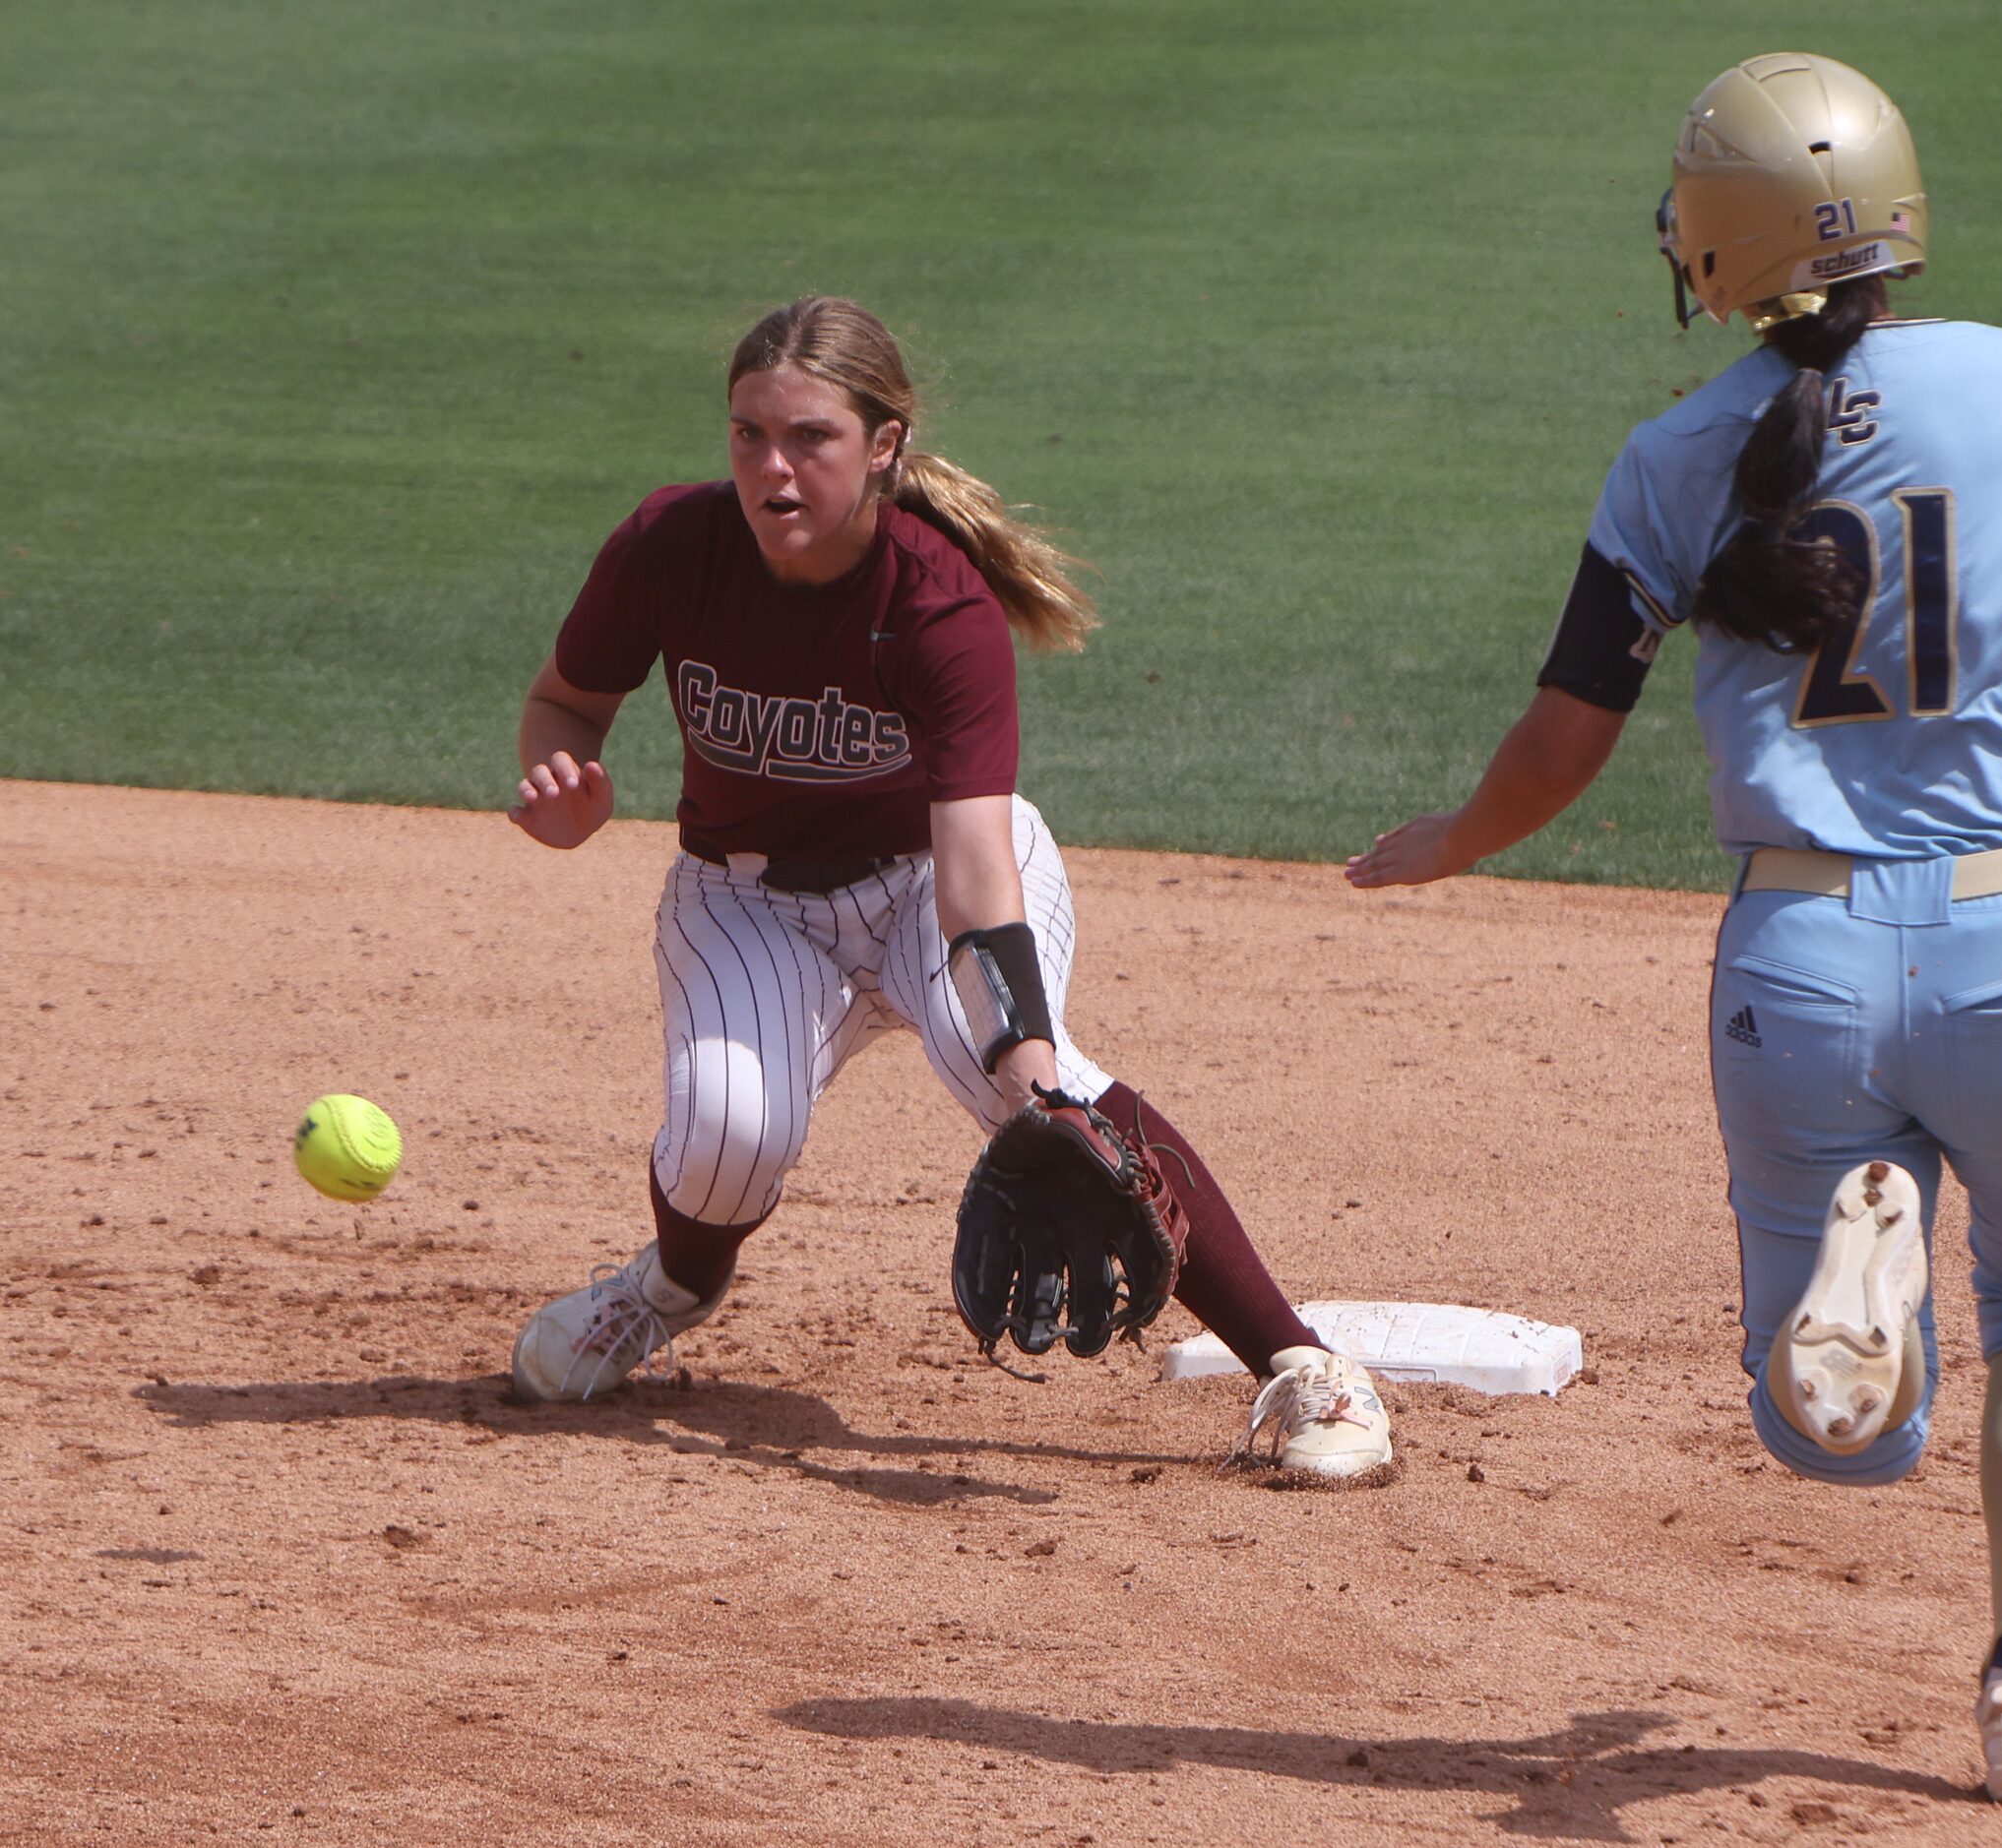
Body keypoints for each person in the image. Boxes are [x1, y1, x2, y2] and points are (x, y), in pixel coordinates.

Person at [1347, 53, 2002, 1805]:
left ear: (1715, 252)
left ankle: (1873, 1263)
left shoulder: (1672, 459)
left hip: (1806, 960)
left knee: (1832, 1430)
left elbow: (1564, 737)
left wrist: (1456, 839)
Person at [502, 294, 1392, 1481]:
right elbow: (565, 701)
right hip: (750, 900)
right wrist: (562, 788)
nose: (773, 468)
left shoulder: (936, 602)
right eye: (748, 435)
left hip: (932, 881)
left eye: (809, 438)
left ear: (884, 447)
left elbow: (976, 873)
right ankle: (667, 1290)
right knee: (727, 1135)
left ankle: (1305, 1369)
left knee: (1047, 1089)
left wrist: (1025, 1072)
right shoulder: (671, 548)